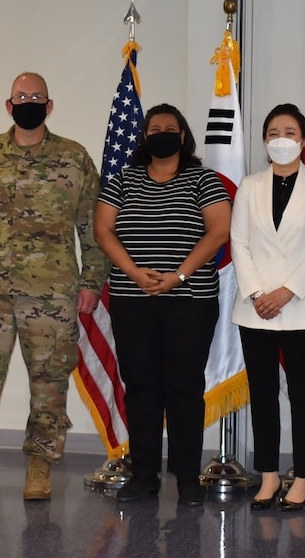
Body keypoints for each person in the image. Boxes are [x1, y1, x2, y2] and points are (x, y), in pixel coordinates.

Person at [0, 72, 109, 504]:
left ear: (49, 106)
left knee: (50, 386)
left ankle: (40, 466)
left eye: (37, 97)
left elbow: (92, 227)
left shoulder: (74, 158)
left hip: (52, 294)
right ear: (9, 104)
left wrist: (92, 283)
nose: (29, 102)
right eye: (22, 96)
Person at [93, 103, 231, 507]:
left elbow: (219, 230)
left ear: (183, 136)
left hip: (190, 300)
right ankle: (144, 476)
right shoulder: (122, 181)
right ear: (144, 137)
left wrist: (179, 275)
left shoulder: (204, 180)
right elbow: (104, 231)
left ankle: (188, 479)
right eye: (155, 128)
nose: (163, 134)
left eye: (170, 128)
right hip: (132, 300)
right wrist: (136, 274)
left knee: (184, 389)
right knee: (141, 389)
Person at [230, 103, 305, 512]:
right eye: (274, 132)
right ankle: (269, 476)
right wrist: (258, 293)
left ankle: (303, 475)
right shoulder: (249, 185)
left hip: (301, 306)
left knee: (304, 395)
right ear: (264, 140)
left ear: (303, 140)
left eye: (290, 132)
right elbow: (238, 242)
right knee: (263, 394)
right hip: (255, 309)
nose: (282, 139)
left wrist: (286, 292)